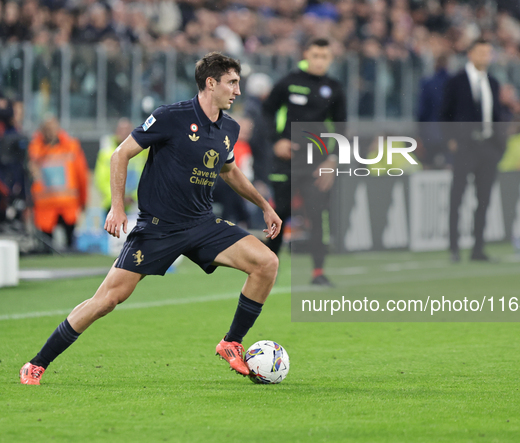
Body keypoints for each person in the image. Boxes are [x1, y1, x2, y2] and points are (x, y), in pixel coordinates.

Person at [20, 52, 282, 385]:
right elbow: (121, 154)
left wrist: (264, 205)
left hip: (202, 225)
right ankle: (36, 363)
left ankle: (231, 341)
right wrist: (117, 207)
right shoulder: (170, 117)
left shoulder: (228, 127)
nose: (238, 90)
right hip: (158, 229)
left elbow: (229, 171)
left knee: (266, 263)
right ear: (211, 83)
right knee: (107, 300)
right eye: (232, 82)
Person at [262, 37, 346, 286]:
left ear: (330, 59)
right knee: (280, 214)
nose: (320, 61)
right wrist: (277, 140)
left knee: (318, 215)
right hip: (286, 161)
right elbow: (267, 111)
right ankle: (269, 268)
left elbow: (341, 127)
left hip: (317, 163)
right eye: (316, 55)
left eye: (325, 57)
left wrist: (333, 160)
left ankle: (318, 273)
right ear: (306, 55)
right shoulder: (289, 82)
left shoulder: (334, 88)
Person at [440, 38, 504, 263]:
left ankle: (478, 248)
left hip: (487, 147)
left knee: (484, 199)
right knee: (457, 197)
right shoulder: (456, 81)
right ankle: (454, 248)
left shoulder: (493, 82)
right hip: (465, 147)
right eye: (481, 52)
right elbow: (445, 112)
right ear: (471, 54)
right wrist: (451, 139)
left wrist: (499, 144)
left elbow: (495, 115)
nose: (485, 57)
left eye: (488, 53)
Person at [28, 116, 88, 249]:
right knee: (46, 248)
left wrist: (83, 200)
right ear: (41, 130)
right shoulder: (34, 149)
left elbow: (81, 175)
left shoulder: (71, 146)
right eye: (47, 129)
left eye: (53, 128)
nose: (51, 132)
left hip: (68, 205)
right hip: (45, 207)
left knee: (70, 245)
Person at [94, 118, 148, 213]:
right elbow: (101, 180)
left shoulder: (142, 153)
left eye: (128, 130)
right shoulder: (106, 153)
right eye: (121, 130)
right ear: (116, 132)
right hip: (111, 206)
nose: (124, 133)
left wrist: (133, 196)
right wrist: (119, 197)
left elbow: (146, 177)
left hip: (136, 206)